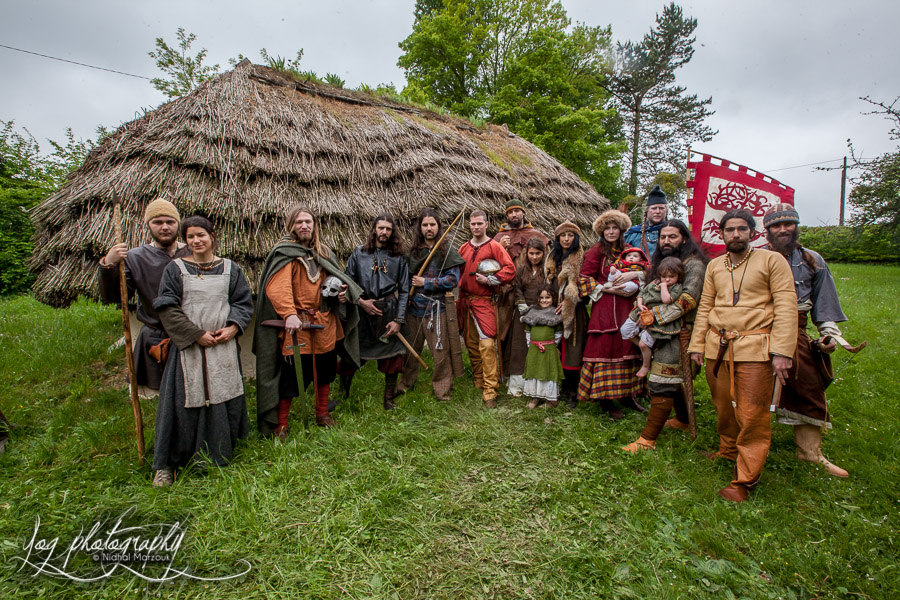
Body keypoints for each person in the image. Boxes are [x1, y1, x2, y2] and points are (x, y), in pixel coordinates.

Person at [689, 209, 797, 502]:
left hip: (755, 346)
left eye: (741, 229)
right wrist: (697, 345)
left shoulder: (772, 260)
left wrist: (782, 351)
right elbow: (706, 307)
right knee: (723, 405)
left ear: (753, 232)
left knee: (751, 413)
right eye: (729, 230)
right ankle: (727, 449)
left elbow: (787, 306)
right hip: (718, 346)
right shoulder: (714, 266)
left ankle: (746, 478)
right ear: (721, 233)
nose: (735, 235)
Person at [151, 216, 254, 487]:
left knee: (221, 396)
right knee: (181, 402)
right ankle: (167, 464)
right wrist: (196, 334)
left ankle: (217, 454)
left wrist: (233, 327)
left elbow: (243, 302)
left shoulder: (232, 269)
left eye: (201, 235)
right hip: (189, 349)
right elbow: (167, 307)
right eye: (190, 237)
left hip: (222, 345)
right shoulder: (175, 270)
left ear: (212, 235)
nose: (196, 241)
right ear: (185, 241)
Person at [254, 206, 362, 437]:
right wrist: (289, 314)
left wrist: (342, 295)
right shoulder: (283, 253)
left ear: (315, 225)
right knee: (291, 376)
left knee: (325, 370)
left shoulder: (324, 253)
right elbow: (277, 288)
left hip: (324, 323)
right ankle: (281, 423)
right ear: (291, 225)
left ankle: (322, 413)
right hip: (297, 326)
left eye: (308, 222)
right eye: (299, 222)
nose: (304, 226)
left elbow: (335, 281)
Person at [765, 204, 850, 477]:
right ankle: (747, 446)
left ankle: (809, 453)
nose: (782, 230)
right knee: (748, 389)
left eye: (787, 224)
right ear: (767, 231)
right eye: (776, 226)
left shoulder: (813, 260)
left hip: (796, 330)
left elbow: (823, 305)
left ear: (796, 226)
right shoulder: (755, 258)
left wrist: (829, 333)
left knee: (809, 385)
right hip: (757, 329)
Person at [622, 219, 709, 452]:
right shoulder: (661, 264)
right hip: (658, 330)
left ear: (683, 238)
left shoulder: (694, 265)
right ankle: (682, 420)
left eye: (672, 236)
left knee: (662, 381)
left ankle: (647, 440)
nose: (666, 241)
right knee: (672, 378)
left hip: (681, 333)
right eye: (662, 237)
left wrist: (653, 316)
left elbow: (689, 300)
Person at [99, 199, 190, 395]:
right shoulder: (135, 257)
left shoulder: (193, 252)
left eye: (170, 221)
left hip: (192, 336)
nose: (164, 227)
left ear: (178, 224)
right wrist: (108, 264)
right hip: (156, 338)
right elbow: (116, 297)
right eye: (157, 222)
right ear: (148, 225)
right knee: (162, 401)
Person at [577, 210, 645, 418]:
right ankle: (605, 398)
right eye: (607, 228)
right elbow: (584, 278)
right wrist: (607, 288)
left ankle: (628, 394)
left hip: (627, 306)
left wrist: (636, 275)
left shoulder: (631, 251)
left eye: (615, 228)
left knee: (628, 347)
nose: (611, 232)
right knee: (605, 348)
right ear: (602, 231)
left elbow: (647, 271)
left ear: (622, 230)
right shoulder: (596, 252)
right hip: (605, 306)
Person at [341, 213, 411, 410]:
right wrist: (361, 302)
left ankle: (388, 399)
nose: (384, 232)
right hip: (363, 313)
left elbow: (404, 290)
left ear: (392, 232)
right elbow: (347, 282)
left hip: (388, 312)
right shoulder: (358, 253)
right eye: (381, 228)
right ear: (374, 229)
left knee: (393, 357)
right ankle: (342, 394)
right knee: (351, 354)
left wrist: (398, 319)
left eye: (388, 229)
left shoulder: (398, 257)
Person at [398, 208, 465, 401]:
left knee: (440, 351)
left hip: (437, 308)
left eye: (432, 224)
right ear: (420, 227)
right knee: (411, 350)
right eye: (425, 225)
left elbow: (453, 280)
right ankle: (405, 384)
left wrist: (426, 283)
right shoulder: (413, 252)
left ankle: (442, 390)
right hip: (414, 309)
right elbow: (405, 279)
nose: (429, 228)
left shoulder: (446, 250)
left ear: (438, 226)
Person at [458, 210, 516, 407]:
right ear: (469, 225)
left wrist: (490, 279)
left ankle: (490, 389)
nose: (476, 227)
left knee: (487, 345)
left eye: (479, 223)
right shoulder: (463, 248)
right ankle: (478, 379)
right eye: (473, 224)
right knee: (471, 344)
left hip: (485, 301)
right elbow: (457, 273)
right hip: (465, 301)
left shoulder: (495, 246)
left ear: (486, 224)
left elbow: (510, 269)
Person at [493, 198, 550, 380]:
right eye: (510, 212)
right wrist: (500, 248)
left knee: (526, 330)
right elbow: (490, 262)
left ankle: (531, 371)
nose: (513, 215)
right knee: (504, 331)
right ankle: (505, 371)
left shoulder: (536, 234)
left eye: (517, 211)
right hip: (506, 291)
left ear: (523, 212)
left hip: (529, 291)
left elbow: (546, 262)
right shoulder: (499, 237)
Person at [545, 222, 587, 409]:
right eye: (563, 235)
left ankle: (572, 391)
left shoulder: (581, 258)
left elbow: (586, 286)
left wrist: (570, 301)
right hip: (554, 310)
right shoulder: (552, 258)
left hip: (574, 313)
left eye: (570, 235)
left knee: (572, 350)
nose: (567, 239)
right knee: (556, 348)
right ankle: (558, 387)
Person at [621, 256, 685, 379]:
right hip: (642, 310)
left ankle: (646, 365)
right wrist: (639, 304)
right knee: (625, 330)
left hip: (657, 317)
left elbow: (666, 300)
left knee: (644, 344)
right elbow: (642, 293)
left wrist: (664, 287)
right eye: (664, 276)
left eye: (671, 277)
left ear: (678, 276)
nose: (667, 279)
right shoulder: (654, 283)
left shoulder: (676, 287)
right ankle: (644, 347)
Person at [507, 238, 549, 397]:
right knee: (519, 347)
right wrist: (521, 304)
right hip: (522, 313)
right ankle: (518, 386)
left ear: (543, 253)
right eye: (531, 253)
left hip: (541, 313)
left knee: (538, 346)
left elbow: (549, 290)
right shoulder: (521, 269)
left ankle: (538, 387)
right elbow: (517, 288)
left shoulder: (546, 271)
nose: (534, 257)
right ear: (527, 253)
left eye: (538, 253)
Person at [521, 286, 564, 409]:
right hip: (534, 349)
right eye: (542, 298)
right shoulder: (532, 312)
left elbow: (558, 332)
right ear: (538, 299)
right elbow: (528, 331)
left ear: (553, 298)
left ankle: (550, 400)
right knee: (534, 371)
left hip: (549, 349)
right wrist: (531, 345)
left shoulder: (555, 313)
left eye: (548, 297)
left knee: (548, 372)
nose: (544, 300)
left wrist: (552, 345)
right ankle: (534, 397)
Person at [624, 185, 668, 256]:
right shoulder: (633, 234)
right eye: (654, 208)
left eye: (661, 208)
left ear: (666, 211)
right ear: (647, 211)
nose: (657, 211)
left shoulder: (673, 233)